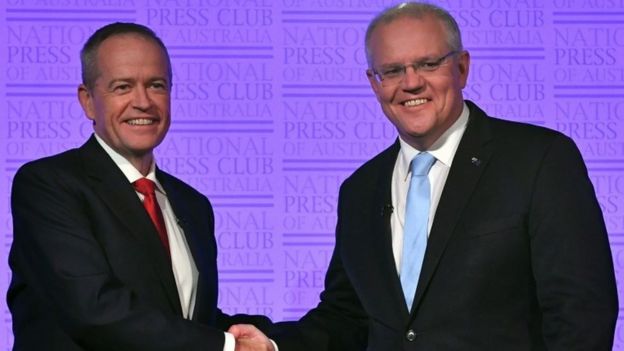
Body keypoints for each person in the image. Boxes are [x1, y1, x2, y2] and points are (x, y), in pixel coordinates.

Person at [231, 2, 619, 350]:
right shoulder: (360, 190)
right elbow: (347, 318)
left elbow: (582, 312)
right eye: (393, 70)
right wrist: (273, 344)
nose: (411, 82)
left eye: (429, 64)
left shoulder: (538, 159)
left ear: (462, 67)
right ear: (374, 83)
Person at [7, 22, 274, 351]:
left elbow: (186, 322)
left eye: (156, 85)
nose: (143, 102)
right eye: (122, 87)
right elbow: (95, 310)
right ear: (88, 101)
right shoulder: (49, 185)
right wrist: (226, 346)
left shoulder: (192, 204)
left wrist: (273, 340)